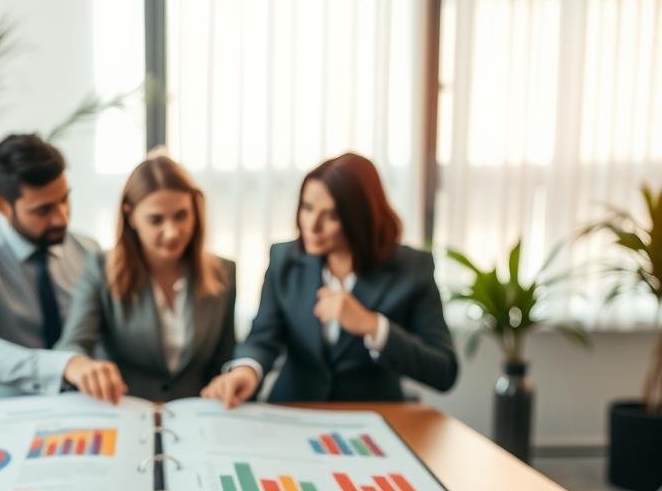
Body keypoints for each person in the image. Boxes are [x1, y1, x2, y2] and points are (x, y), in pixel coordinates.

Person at [202, 152, 458, 408]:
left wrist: (373, 325)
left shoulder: (412, 268)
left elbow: (444, 370)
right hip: (294, 410)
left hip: (373, 416)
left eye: (332, 215)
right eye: (307, 208)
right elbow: (263, 338)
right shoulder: (284, 259)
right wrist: (246, 370)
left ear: (361, 218)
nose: (311, 226)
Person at [55, 154, 236, 403]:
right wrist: (80, 365)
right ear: (130, 216)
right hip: (126, 411)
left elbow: (224, 360)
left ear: (196, 210)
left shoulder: (223, 272)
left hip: (196, 416)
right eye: (156, 220)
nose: (172, 232)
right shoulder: (100, 268)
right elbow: (73, 345)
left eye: (181, 216)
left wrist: (228, 381)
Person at [0, 133, 99, 398]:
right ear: (2, 205)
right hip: (5, 408)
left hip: (82, 403)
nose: (61, 218)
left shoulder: (87, 250)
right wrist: (64, 366)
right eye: (43, 210)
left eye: (64, 200)